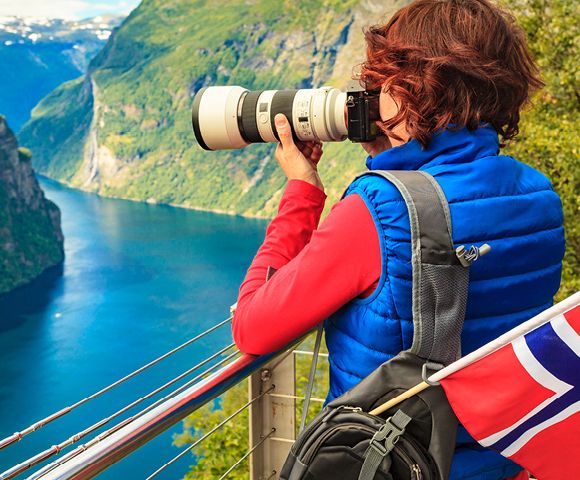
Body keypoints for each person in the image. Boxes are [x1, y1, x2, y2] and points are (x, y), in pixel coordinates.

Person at [232, 1, 565, 479]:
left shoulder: (382, 209)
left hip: (394, 464)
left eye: (382, 84)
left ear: (422, 89)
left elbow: (252, 327)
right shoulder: (537, 194)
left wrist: (302, 192)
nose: (368, 98)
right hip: (503, 461)